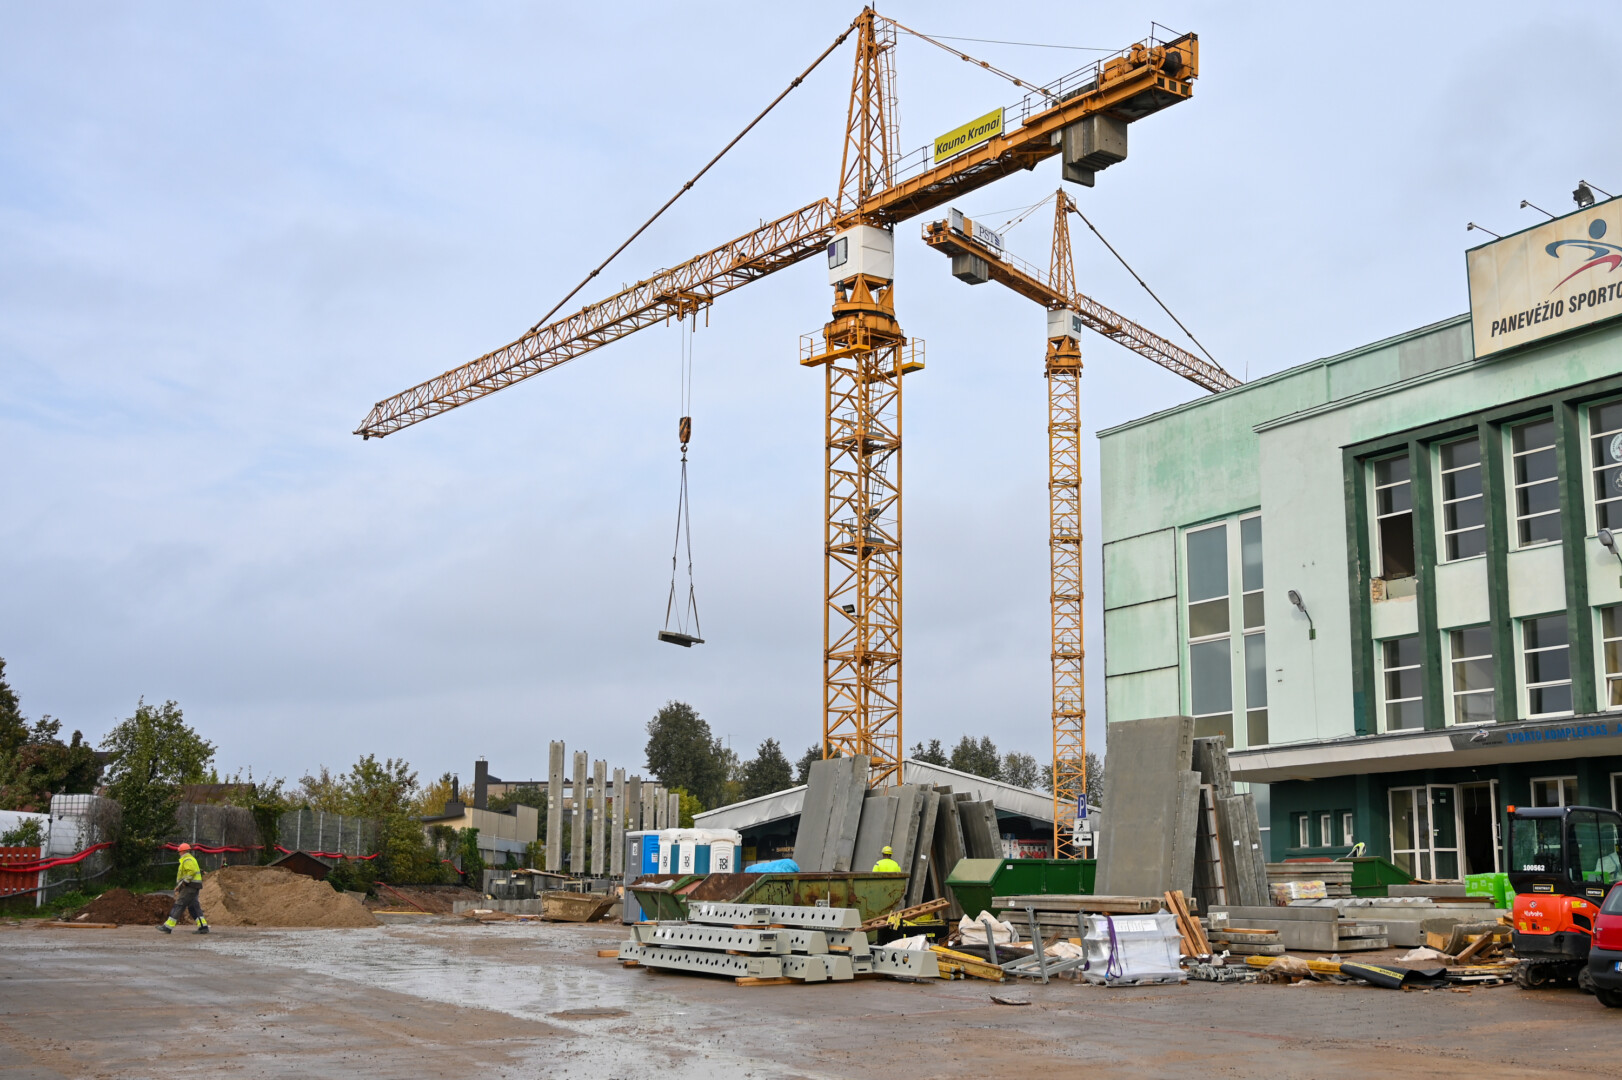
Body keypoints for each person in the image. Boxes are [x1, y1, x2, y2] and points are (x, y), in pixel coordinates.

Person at [159, 843, 209, 934]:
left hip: (190, 886)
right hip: (193, 886)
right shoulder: (190, 859)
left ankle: (168, 926)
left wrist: (184, 883)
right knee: (193, 906)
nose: (179, 853)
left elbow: (191, 872)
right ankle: (203, 927)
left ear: (183, 851)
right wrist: (179, 885)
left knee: (179, 904)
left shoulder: (187, 860)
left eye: (179, 851)